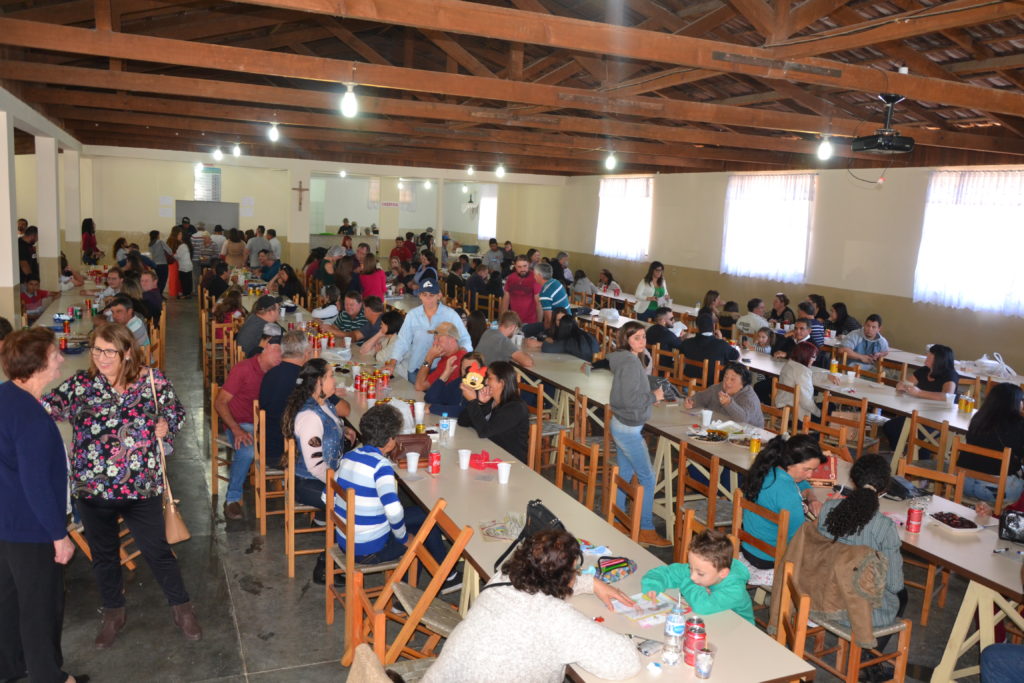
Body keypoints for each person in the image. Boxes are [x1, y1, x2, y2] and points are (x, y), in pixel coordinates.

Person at [43, 322, 200, 646]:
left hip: (141, 488)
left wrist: (165, 424)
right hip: (92, 490)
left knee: (157, 550)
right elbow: (45, 407)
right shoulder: (81, 385)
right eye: (96, 350)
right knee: (104, 556)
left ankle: (182, 608)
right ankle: (113, 613)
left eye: (109, 351)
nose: (101, 357)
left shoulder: (152, 381)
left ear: (127, 352)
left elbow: (176, 412)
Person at [422, 529, 641, 683]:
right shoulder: (554, 618)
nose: (577, 575)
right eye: (575, 571)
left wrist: (592, 583)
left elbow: (544, 579)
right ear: (564, 578)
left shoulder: (501, 579)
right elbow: (626, 664)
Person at [0, 328, 86, 683]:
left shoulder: (5, 396)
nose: (61, 359)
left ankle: (10, 666)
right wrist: (58, 535)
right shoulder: (31, 419)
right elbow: (36, 483)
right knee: (41, 605)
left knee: (8, 600)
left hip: (5, 520)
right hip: (31, 526)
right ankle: (49, 676)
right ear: (36, 366)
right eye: (54, 355)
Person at [332, 404, 459, 590]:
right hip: (368, 550)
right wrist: (403, 538)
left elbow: (327, 497)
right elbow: (393, 511)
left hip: (345, 541)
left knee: (424, 514)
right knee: (422, 531)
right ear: (391, 441)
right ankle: (406, 592)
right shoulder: (381, 467)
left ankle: (448, 574)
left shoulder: (349, 456)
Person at [280, 358, 356, 583]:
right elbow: (315, 466)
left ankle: (329, 526)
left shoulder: (323, 403)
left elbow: (329, 427)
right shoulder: (310, 416)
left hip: (324, 477)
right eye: (331, 376)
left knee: (354, 498)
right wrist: (339, 485)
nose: (335, 380)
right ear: (318, 382)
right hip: (307, 482)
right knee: (351, 506)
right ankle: (325, 566)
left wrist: (343, 431)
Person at [817, 454, 907, 633]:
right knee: (902, 595)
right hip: (859, 611)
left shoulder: (828, 508)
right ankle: (870, 647)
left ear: (854, 480)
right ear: (884, 488)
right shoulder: (884, 527)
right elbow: (895, 585)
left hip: (824, 598)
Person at [603, 322, 669, 547]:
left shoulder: (623, 358)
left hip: (621, 422)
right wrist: (653, 397)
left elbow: (626, 395)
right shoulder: (631, 362)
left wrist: (647, 397)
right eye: (636, 338)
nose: (642, 342)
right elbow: (628, 399)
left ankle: (618, 520)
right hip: (628, 429)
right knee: (648, 478)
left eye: (643, 337)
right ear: (626, 340)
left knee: (624, 474)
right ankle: (645, 529)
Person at [214, 326, 284, 519]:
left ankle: (288, 486)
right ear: (266, 348)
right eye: (277, 351)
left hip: (266, 425)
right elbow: (220, 403)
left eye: (284, 353)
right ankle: (233, 498)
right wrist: (236, 429)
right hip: (241, 423)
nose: (280, 356)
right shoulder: (244, 369)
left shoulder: (278, 372)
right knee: (248, 450)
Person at [739, 434, 825, 578]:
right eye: (806, 469)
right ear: (790, 463)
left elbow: (801, 483)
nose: (810, 475)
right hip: (769, 558)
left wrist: (812, 498)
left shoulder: (768, 470)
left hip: (750, 548)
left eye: (813, 470)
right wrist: (821, 521)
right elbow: (799, 537)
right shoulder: (788, 494)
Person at [641, 529, 754, 624]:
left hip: (740, 633)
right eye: (690, 568)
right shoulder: (700, 567)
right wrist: (653, 585)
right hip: (714, 623)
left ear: (723, 573)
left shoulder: (735, 590)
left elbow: (702, 606)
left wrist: (688, 583)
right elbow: (666, 572)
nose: (693, 577)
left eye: (700, 573)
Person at [384, 279, 472, 382]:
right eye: (424, 295)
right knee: (416, 391)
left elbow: (465, 338)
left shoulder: (450, 315)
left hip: (440, 369)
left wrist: (461, 355)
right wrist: (392, 363)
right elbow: (403, 341)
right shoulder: (413, 315)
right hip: (416, 367)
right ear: (420, 295)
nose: (428, 299)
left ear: (439, 295)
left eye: (432, 295)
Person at [883, 344, 960, 448]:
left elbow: (947, 396)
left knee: (921, 437)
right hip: (919, 414)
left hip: (938, 419)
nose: (926, 357)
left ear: (939, 360)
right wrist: (901, 386)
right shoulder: (924, 370)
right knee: (889, 427)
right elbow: (907, 383)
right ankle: (900, 453)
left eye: (929, 356)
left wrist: (919, 393)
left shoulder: (950, 374)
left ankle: (916, 456)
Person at [961, 382, 1024, 504]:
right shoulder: (1019, 424)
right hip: (994, 491)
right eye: (1022, 400)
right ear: (1014, 402)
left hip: (963, 483)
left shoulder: (978, 418)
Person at [458, 361, 530, 463]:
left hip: (509, 462)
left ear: (501, 383)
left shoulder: (515, 408)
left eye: (490, 378)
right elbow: (462, 421)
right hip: (491, 453)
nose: (486, 382)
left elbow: (485, 432)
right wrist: (479, 403)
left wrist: (473, 402)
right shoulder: (491, 400)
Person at [258, 331, 311, 469]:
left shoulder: (271, 373)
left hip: (267, 446)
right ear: (306, 353)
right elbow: (344, 410)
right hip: (286, 453)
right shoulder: (305, 379)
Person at [686, 362, 765, 427]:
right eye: (726, 377)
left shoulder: (749, 397)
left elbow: (742, 419)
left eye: (732, 379)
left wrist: (728, 403)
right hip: (720, 428)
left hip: (749, 435)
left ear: (743, 383)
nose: (727, 382)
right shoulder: (718, 388)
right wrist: (692, 402)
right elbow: (701, 397)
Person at [679, 312, 739, 379]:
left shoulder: (687, 343)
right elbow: (735, 355)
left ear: (697, 327)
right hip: (711, 383)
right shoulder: (722, 344)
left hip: (689, 380)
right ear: (713, 326)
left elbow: (680, 353)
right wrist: (720, 340)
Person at [776, 341, 824, 424]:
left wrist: (827, 377)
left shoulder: (789, 364)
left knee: (819, 405)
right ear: (805, 355)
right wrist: (819, 413)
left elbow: (810, 376)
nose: (814, 359)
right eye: (813, 356)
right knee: (829, 408)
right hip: (798, 416)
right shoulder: (802, 371)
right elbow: (805, 402)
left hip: (783, 408)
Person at [425, 352, 483, 418]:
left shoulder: (482, 389)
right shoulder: (459, 382)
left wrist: (432, 408)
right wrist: (445, 375)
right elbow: (430, 398)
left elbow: (464, 412)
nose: (468, 373)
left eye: (472, 369)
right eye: (465, 369)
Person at [413, 322, 467, 392]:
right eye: (434, 339)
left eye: (439, 339)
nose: (434, 343)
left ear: (452, 339)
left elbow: (419, 386)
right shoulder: (455, 354)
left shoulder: (452, 361)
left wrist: (428, 358)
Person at [502, 255, 542, 326]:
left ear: (529, 264)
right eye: (519, 267)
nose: (522, 269)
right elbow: (506, 300)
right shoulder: (510, 278)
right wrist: (503, 319)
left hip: (530, 321)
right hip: (513, 321)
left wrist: (539, 324)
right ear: (515, 266)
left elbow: (538, 303)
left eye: (525, 266)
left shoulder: (535, 278)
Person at [536, 262, 569, 328]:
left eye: (534, 274)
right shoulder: (556, 282)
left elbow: (548, 321)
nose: (534, 277)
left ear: (539, 276)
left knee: (525, 329)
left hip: (560, 327)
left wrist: (545, 333)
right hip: (569, 322)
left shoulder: (545, 293)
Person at [168, 228, 193, 299]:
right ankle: (187, 293)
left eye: (181, 234)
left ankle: (185, 294)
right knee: (187, 280)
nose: (180, 236)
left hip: (183, 266)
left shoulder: (182, 246)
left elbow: (177, 256)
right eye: (179, 234)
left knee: (184, 280)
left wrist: (173, 255)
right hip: (185, 265)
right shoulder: (184, 245)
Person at [147, 230, 174, 295]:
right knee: (163, 280)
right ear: (157, 235)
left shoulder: (150, 244)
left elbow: (151, 255)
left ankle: (158, 294)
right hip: (163, 264)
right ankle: (159, 295)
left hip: (155, 265)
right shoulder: (160, 242)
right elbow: (170, 251)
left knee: (159, 280)